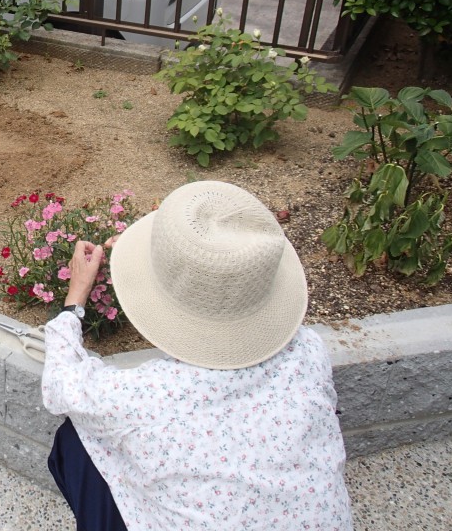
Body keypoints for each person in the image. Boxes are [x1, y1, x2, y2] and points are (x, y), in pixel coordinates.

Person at [42, 180, 353, 530]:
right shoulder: (309, 351)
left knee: (76, 441)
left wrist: (76, 298)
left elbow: (59, 384)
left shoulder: (145, 394)